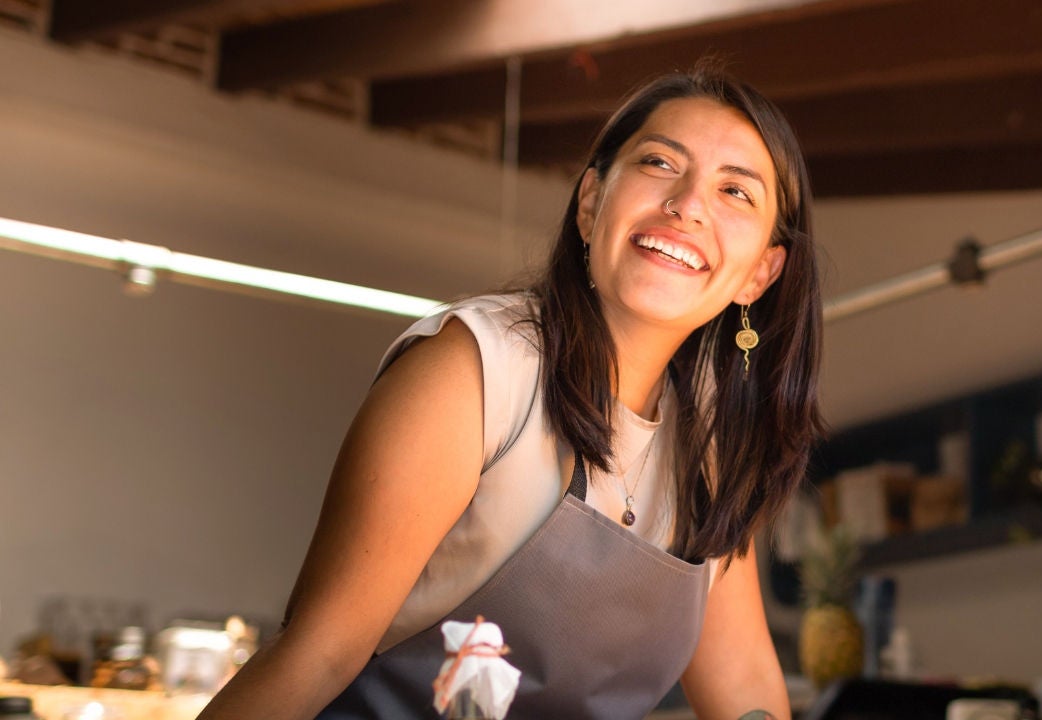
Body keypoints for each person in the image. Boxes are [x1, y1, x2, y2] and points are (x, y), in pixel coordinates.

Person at [195, 63, 824, 720]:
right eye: (661, 163)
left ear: (760, 273)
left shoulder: (709, 447)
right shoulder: (475, 369)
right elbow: (317, 653)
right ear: (590, 204)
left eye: (736, 193)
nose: (688, 204)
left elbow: (746, 690)